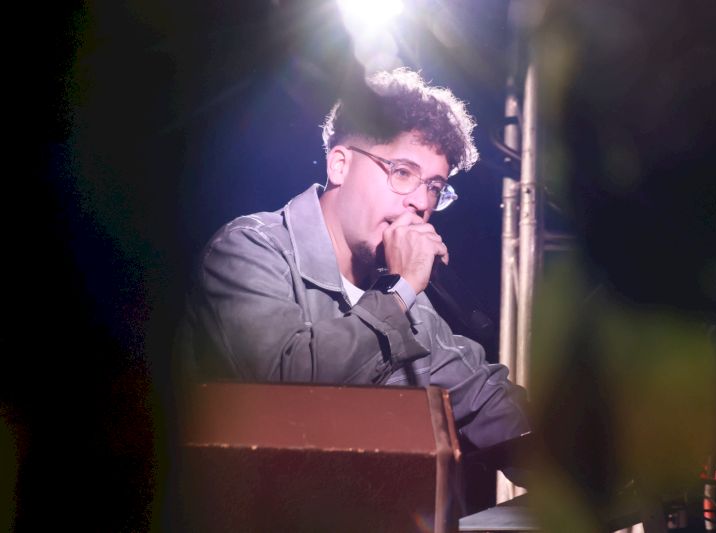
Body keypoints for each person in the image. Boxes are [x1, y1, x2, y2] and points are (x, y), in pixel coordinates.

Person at [179, 68, 529, 451]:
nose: (421, 202)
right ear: (340, 165)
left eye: (434, 187)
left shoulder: (408, 302)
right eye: (402, 172)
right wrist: (398, 292)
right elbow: (285, 388)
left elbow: (485, 400)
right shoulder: (248, 250)